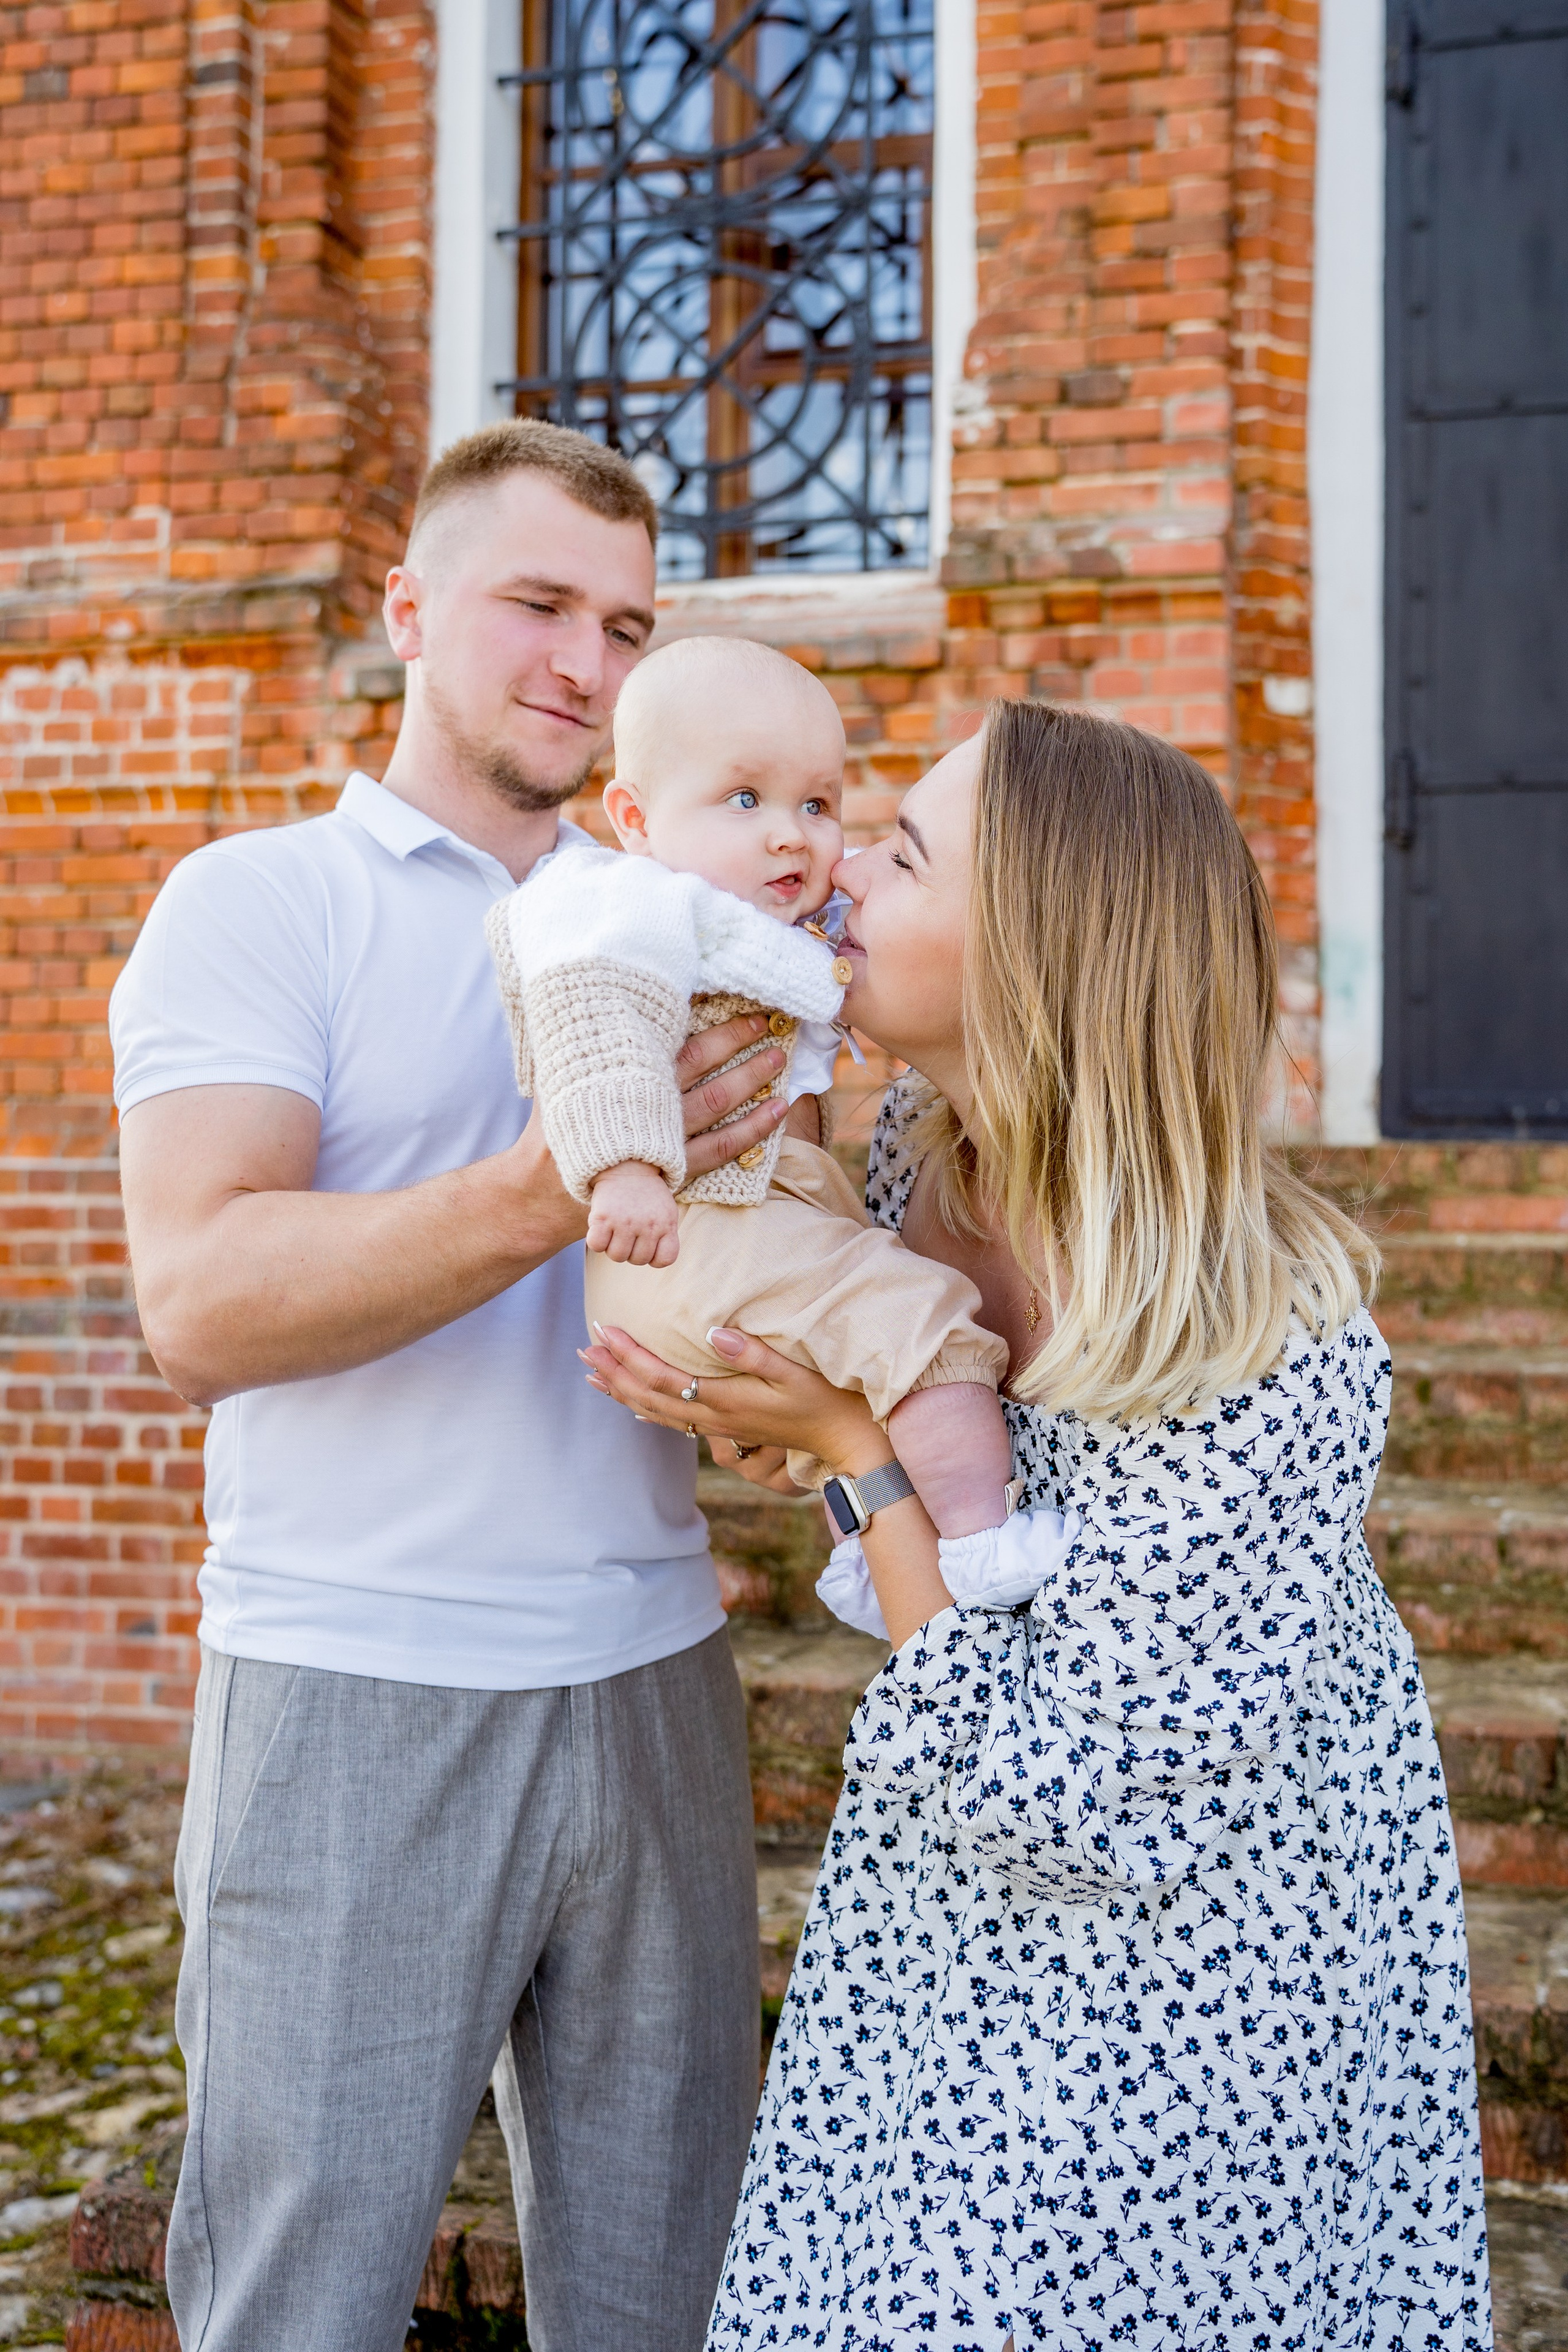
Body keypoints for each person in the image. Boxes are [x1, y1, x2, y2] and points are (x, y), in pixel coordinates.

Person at [585, 701, 1493, 2352]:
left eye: (902, 852)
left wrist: (851, 1446)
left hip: (1194, 1969)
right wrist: (782, 1421)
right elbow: (921, 1552)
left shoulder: (1265, 1350)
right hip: (949, 1896)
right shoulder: (914, 1160)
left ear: (1039, 960)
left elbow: (1064, 1797)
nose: (837, 867)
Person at [110, 421, 786, 2352]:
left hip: (654, 1678)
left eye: (628, 628)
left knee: (668, 2296)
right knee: (303, 2303)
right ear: (409, 611)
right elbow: (202, 1303)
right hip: (356, 1683)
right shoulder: (260, 901)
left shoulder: (681, 917)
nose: (587, 663)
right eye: (540, 605)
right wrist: (553, 1179)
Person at [491, 630, 1025, 1537]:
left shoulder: (776, 920)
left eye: (818, 803)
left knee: (873, 1375)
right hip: (689, 1235)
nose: (792, 833)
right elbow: (592, 1025)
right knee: (926, 1327)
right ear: (634, 818)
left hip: (754, 1231)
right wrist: (626, 1166)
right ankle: (988, 1546)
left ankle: (887, 1555)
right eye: (744, 799)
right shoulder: (626, 906)